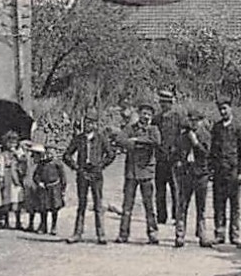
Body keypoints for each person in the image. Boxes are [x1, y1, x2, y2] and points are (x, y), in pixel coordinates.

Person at [63, 109, 114, 244]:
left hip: (96, 174)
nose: (87, 125)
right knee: (82, 204)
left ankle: (101, 234)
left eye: (91, 123)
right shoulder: (79, 139)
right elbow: (66, 155)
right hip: (82, 174)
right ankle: (77, 233)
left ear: (95, 124)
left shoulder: (101, 138)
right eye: (86, 122)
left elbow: (110, 154)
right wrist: (76, 168)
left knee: (98, 204)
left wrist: (101, 166)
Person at [209, 99, 241, 247]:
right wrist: (211, 170)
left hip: (233, 172)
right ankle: (219, 234)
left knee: (235, 205)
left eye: (225, 109)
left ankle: (235, 235)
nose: (223, 112)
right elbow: (212, 150)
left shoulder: (240, 127)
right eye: (220, 109)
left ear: (231, 108)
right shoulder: (216, 127)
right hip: (219, 172)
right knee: (218, 204)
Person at [119, 102, 160, 244]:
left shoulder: (153, 129)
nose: (146, 116)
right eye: (144, 113)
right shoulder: (131, 128)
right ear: (139, 114)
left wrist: (136, 140)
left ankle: (152, 233)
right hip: (131, 172)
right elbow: (121, 140)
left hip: (146, 172)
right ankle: (123, 233)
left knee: (149, 205)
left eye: (149, 114)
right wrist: (134, 142)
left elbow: (156, 141)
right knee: (127, 205)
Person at [171, 112, 212, 248]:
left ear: (201, 122)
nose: (194, 123)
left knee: (201, 207)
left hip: (201, 174)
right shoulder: (182, 137)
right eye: (191, 120)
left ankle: (202, 235)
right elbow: (175, 153)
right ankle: (180, 235)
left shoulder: (205, 136)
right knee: (182, 205)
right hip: (186, 174)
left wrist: (196, 142)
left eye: (197, 121)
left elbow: (206, 154)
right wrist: (177, 162)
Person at [152, 86, 181, 228]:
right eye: (162, 102)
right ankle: (161, 216)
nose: (164, 105)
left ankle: (177, 216)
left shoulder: (178, 118)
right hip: (160, 159)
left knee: (175, 188)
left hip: (174, 159)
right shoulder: (156, 119)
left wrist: (178, 151)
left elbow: (183, 135)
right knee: (160, 189)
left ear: (171, 103)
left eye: (166, 102)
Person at [28, 143, 67, 236]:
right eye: (48, 150)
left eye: (52, 151)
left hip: (55, 187)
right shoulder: (42, 163)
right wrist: (39, 182)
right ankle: (43, 225)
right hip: (44, 188)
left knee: (54, 208)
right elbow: (36, 175)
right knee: (43, 208)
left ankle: (54, 226)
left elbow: (63, 177)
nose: (50, 153)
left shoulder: (58, 163)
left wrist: (62, 189)